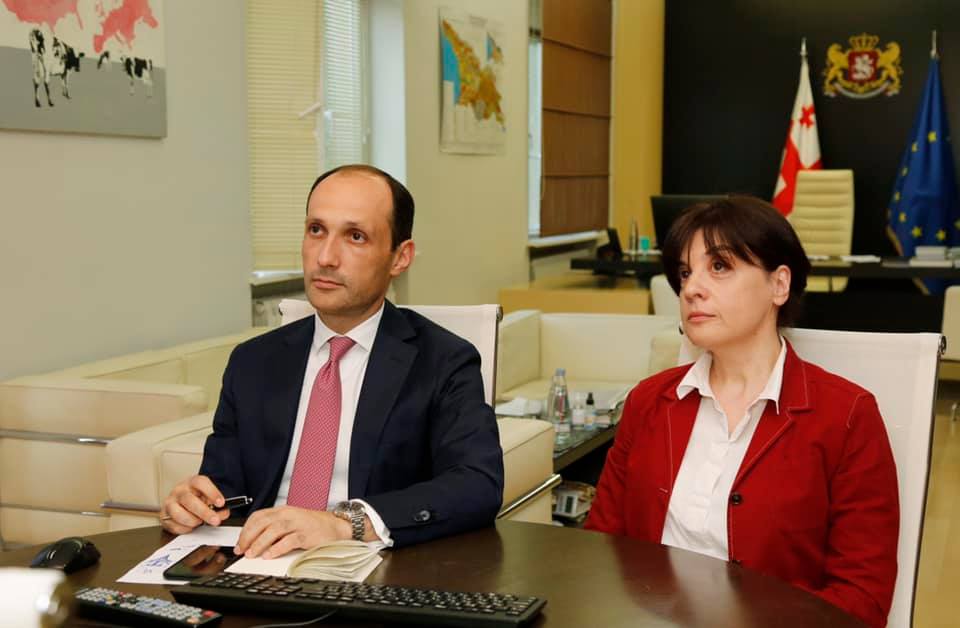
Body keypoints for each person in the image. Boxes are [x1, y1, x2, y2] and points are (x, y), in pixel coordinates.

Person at [585, 196, 899, 628]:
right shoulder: (648, 401)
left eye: (719, 266)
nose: (691, 288)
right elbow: (600, 548)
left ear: (779, 285)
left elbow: (861, 597)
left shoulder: (847, 416)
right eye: (685, 272)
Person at [161, 164, 504, 556]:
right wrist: (193, 504)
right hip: (259, 564)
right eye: (316, 230)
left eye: (355, 236)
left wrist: (344, 525)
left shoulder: (444, 361)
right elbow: (226, 491)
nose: (325, 257)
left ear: (400, 257)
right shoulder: (252, 362)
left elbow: (477, 484)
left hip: (373, 568)